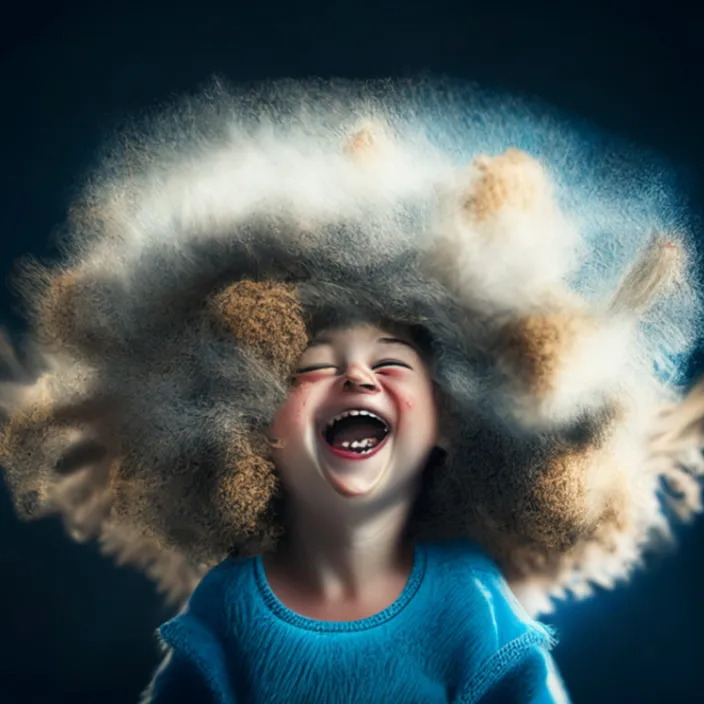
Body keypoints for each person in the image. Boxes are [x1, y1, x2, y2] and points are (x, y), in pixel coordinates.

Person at [1, 79, 702, 702]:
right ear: (254, 424)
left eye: (392, 363)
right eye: (312, 366)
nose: (356, 376)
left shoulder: (469, 598)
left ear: (453, 420)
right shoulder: (228, 606)